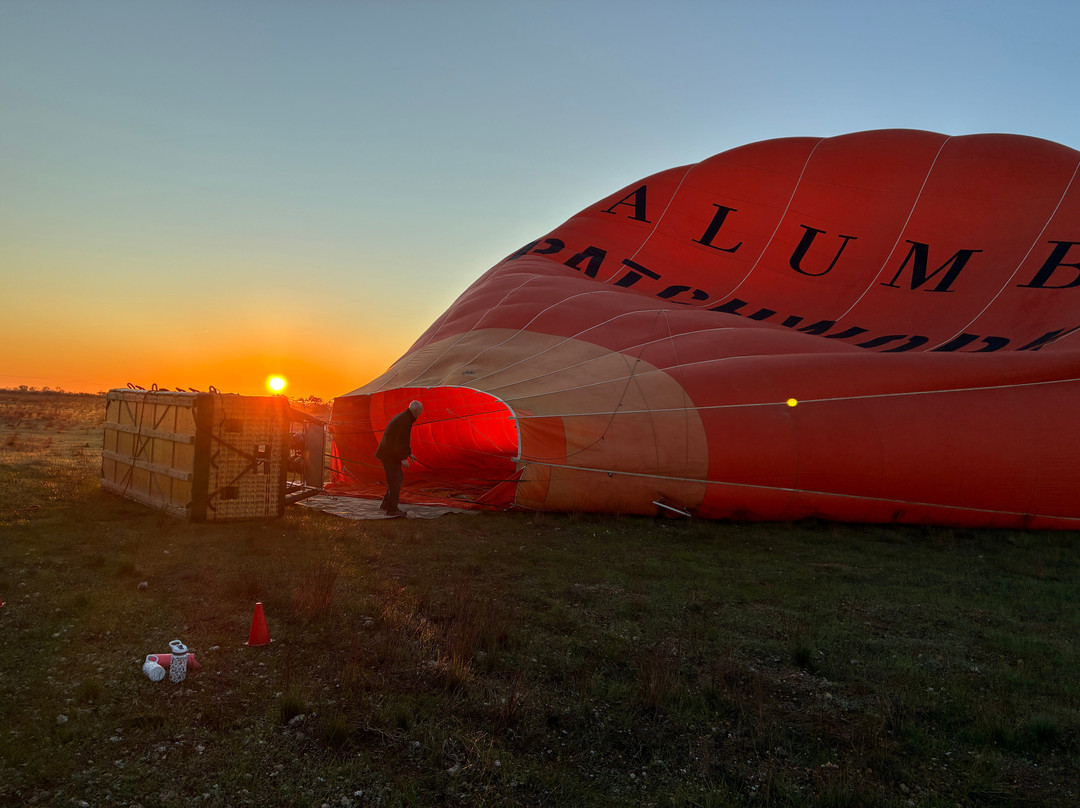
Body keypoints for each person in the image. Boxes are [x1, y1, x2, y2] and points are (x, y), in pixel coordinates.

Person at [375, 400, 423, 517]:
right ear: (416, 411)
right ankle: (392, 509)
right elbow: (398, 441)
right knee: (396, 480)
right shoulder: (404, 421)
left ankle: (386, 504)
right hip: (390, 454)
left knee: (395, 479)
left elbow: (403, 440)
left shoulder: (405, 418)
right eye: (420, 412)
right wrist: (403, 458)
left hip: (390, 453)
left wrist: (409, 453)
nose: (420, 414)